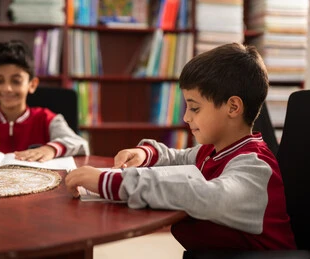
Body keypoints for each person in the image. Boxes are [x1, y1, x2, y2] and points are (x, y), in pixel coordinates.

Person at [65, 43, 296, 250]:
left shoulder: (254, 166)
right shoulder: (215, 150)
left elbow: (201, 194)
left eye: (194, 108)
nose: (186, 117)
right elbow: (179, 158)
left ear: (233, 107)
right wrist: (146, 154)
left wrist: (108, 181)